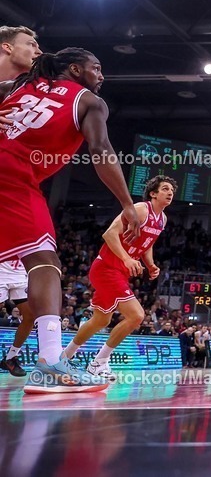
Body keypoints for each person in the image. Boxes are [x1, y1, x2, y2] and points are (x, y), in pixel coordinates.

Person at [0, 48, 142, 392]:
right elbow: (101, 150)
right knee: (44, 262)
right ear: (76, 70)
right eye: (97, 68)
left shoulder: (21, 84)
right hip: (12, 176)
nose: (102, 75)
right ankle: (51, 361)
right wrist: (126, 202)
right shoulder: (89, 102)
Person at [61, 176, 176, 380]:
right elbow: (109, 234)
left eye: (172, 191)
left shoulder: (162, 219)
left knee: (100, 320)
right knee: (136, 316)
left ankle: (63, 358)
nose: (170, 193)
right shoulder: (140, 209)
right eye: (165, 189)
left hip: (120, 272)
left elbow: (147, 244)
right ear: (153, 193)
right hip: (106, 268)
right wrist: (127, 258)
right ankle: (99, 363)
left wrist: (150, 264)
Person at [0, 25, 42, 377]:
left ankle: (11, 356)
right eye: (30, 44)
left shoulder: (21, 90)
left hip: (15, 248)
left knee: (33, 312)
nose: (37, 50)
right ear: (6, 47)